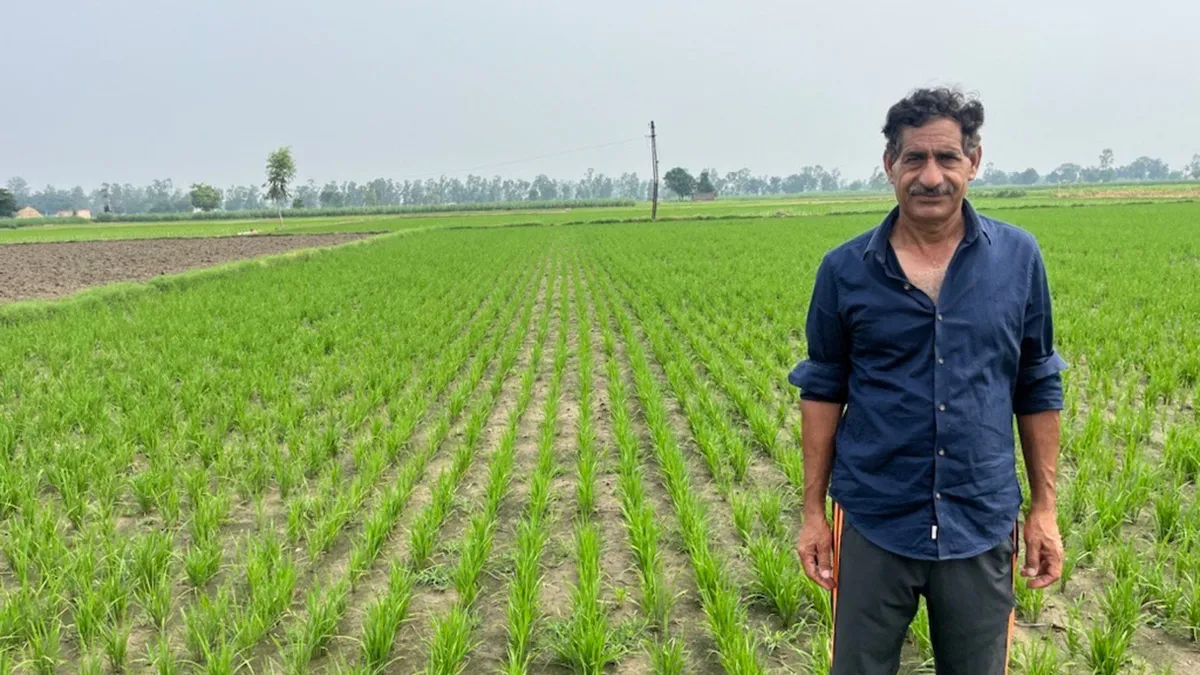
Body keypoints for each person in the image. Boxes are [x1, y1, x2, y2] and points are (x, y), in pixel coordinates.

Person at [790, 87, 1066, 674]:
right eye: (914, 158)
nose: (930, 176)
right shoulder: (844, 271)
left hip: (980, 518)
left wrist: (1044, 509)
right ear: (890, 165)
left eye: (947, 158)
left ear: (974, 162)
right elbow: (822, 391)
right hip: (873, 519)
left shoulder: (1019, 258)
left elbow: (1037, 384)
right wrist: (813, 512)